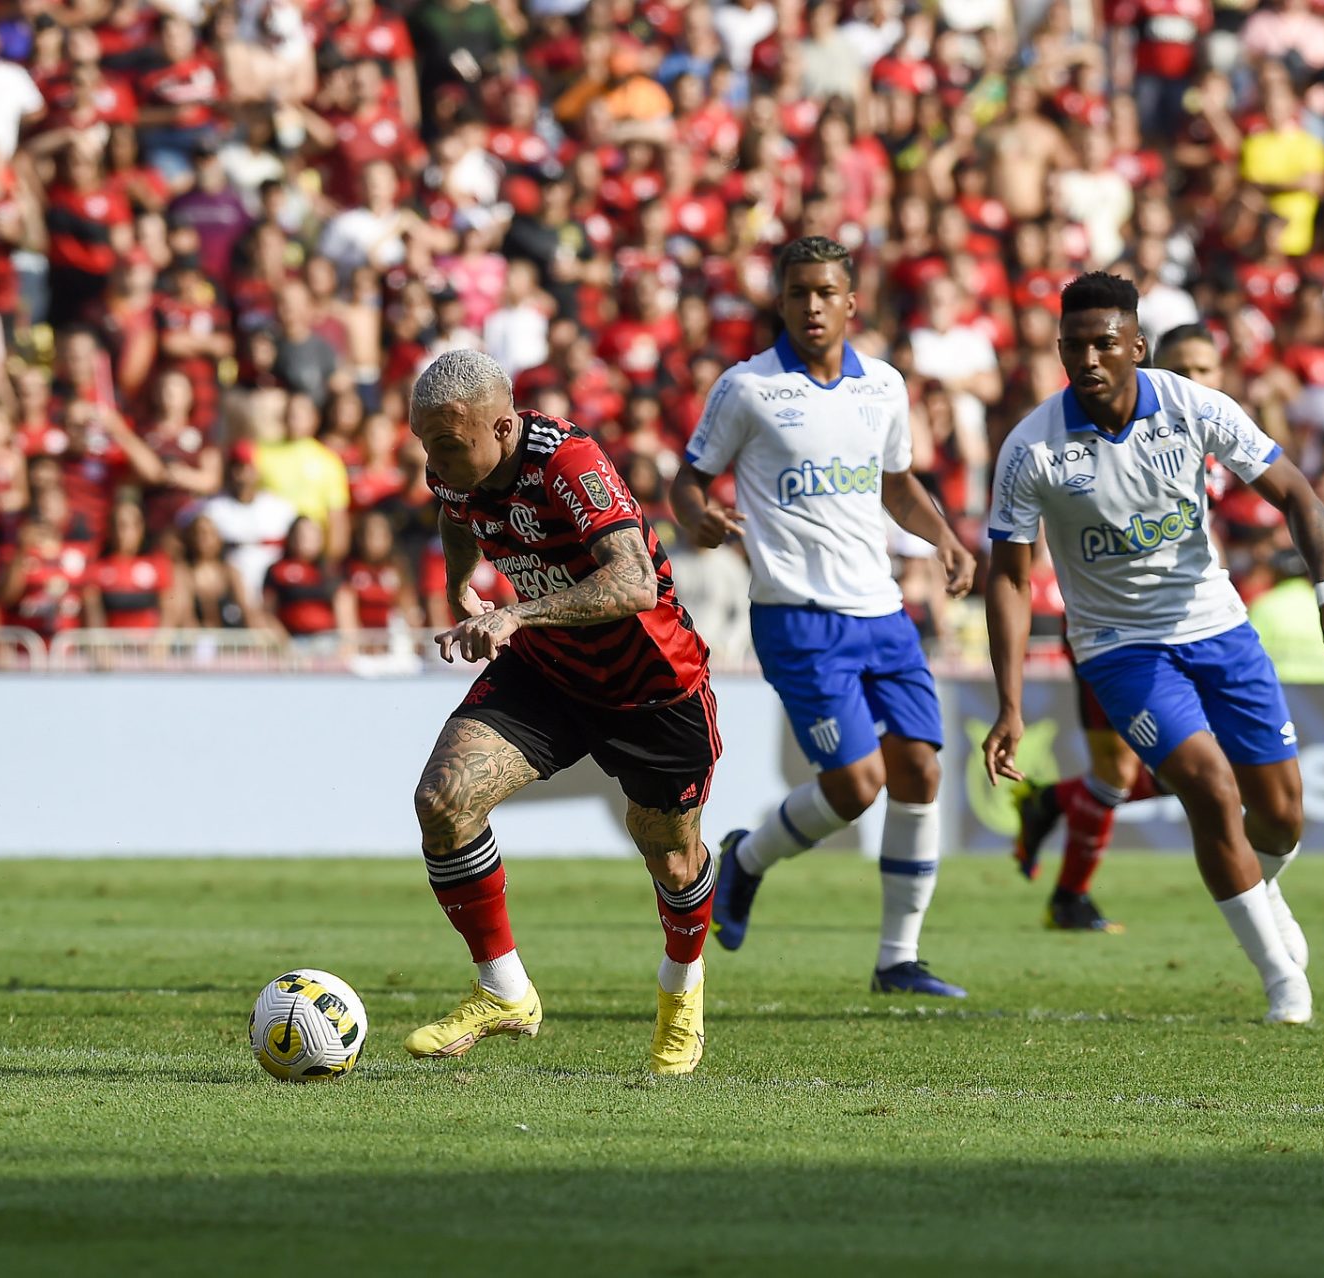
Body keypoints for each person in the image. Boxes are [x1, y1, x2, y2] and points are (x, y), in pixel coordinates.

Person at [984, 272, 1324, 1024]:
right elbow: (1008, 577)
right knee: (1208, 786)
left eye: (1104, 343)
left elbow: (1297, 493)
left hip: (1219, 627)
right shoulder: (1031, 448)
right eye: (1073, 346)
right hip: (1119, 647)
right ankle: (1281, 983)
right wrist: (1008, 703)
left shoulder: (1193, 407)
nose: (1088, 359)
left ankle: (1265, 886)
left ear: (1138, 346)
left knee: (1282, 816)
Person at [670, 236, 977, 998]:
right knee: (856, 784)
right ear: (781, 300)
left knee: (921, 769)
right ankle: (744, 860)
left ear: (851, 300)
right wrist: (698, 519)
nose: (812, 305)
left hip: (882, 611)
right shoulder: (747, 389)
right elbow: (688, 480)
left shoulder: (884, 387)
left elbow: (897, 483)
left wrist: (942, 537)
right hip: (798, 617)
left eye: (825, 292)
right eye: (798, 292)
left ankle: (898, 960)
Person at [406, 349, 720, 1075]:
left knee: (671, 858)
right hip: (549, 671)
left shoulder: (568, 463)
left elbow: (635, 583)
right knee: (443, 801)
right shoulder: (453, 464)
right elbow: (455, 515)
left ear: (503, 426)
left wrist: (518, 616)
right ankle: (505, 992)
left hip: (652, 685)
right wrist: (462, 589)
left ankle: (682, 995)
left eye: (449, 444)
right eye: (427, 444)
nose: (436, 460)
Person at [1011, 323, 1228, 930]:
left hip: (1197, 627)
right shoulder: (1123, 439)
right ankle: (1069, 897)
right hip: (1116, 632)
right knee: (1125, 771)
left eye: (1205, 371)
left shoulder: (1219, 445)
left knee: (1200, 767)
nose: (1193, 382)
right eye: (1181, 369)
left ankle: (1054, 807)